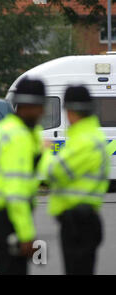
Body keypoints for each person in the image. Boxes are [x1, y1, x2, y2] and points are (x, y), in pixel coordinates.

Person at [38, 85, 110, 275]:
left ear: (70, 111)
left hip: (78, 222)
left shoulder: (83, 140)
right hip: (84, 219)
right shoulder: (93, 136)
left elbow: (54, 172)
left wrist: (45, 152)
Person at [0, 76, 46, 275]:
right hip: (6, 214)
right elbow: (16, 193)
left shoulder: (6, 129)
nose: (42, 112)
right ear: (26, 107)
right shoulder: (18, 137)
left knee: (5, 265)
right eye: (39, 106)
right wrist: (26, 234)